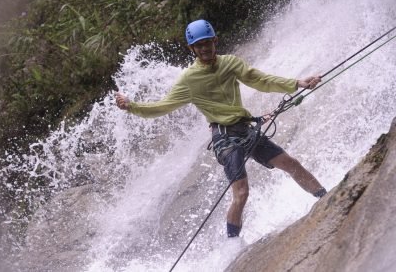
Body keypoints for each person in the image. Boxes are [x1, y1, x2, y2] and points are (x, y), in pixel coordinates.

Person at [115, 19, 327, 238]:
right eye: (199, 45)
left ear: (215, 40)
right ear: (192, 49)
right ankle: (232, 243)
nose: (204, 48)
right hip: (224, 138)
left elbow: (260, 80)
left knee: (291, 164)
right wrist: (132, 106)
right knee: (242, 192)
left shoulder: (230, 63)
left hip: (245, 130)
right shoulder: (189, 80)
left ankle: (325, 197)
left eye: (207, 42)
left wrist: (297, 83)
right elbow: (162, 106)